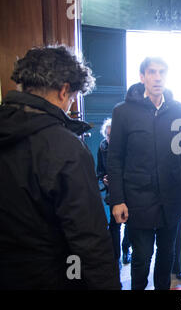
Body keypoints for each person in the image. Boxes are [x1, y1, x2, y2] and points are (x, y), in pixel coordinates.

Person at [0, 45, 120, 289]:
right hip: (50, 276)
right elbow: (89, 238)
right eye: (74, 97)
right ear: (64, 90)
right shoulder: (66, 147)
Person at [107, 57, 181, 290]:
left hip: (172, 197)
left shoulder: (178, 109)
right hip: (138, 199)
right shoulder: (123, 111)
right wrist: (117, 199)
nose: (158, 77)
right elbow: (114, 159)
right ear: (142, 76)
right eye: (152, 72)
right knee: (142, 257)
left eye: (162, 72)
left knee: (167, 256)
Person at [96, 118, 131, 267]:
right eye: (108, 135)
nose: (111, 139)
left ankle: (125, 249)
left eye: (113, 135)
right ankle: (115, 257)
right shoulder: (102, 147)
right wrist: (104, 179)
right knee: (114, 225)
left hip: (128, 190)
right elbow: (100, 171)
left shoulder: (126, 147)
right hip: (113, 191)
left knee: (130, 223)